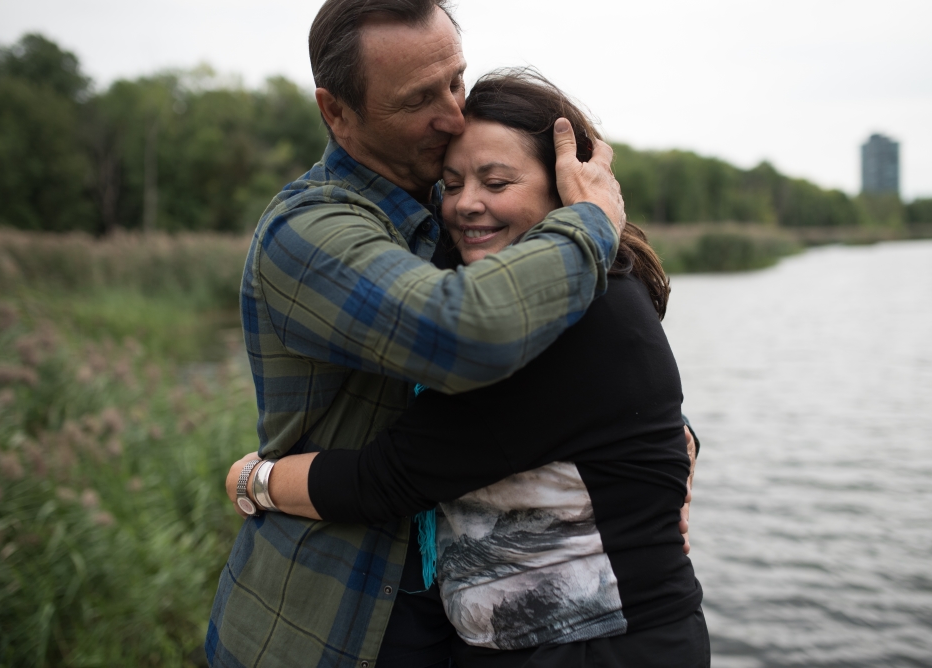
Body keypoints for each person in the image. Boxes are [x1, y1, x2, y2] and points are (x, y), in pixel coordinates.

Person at [226, 69, 707, 668]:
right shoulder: (497, 282)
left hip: (605, 647)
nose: (466, 204)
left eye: (497, 181)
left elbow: (392, 477)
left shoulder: (583, 311)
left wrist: (252, 481)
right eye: (450, 185)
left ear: (568, 190)